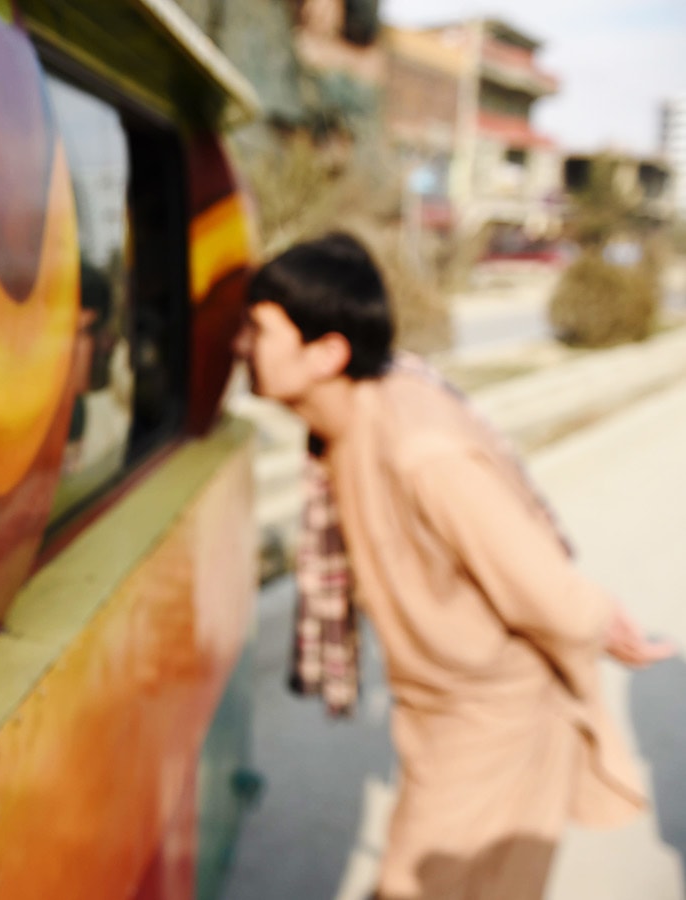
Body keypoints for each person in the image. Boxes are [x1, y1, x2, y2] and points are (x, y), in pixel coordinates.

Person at [233, 232, 674, 899]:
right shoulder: (342, 423)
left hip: (495, 723)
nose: (239, 345)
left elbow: (546, 591)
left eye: (256, 330)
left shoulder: (421, 449)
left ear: (327, 352)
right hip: (440, 714)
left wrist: (605, 625)